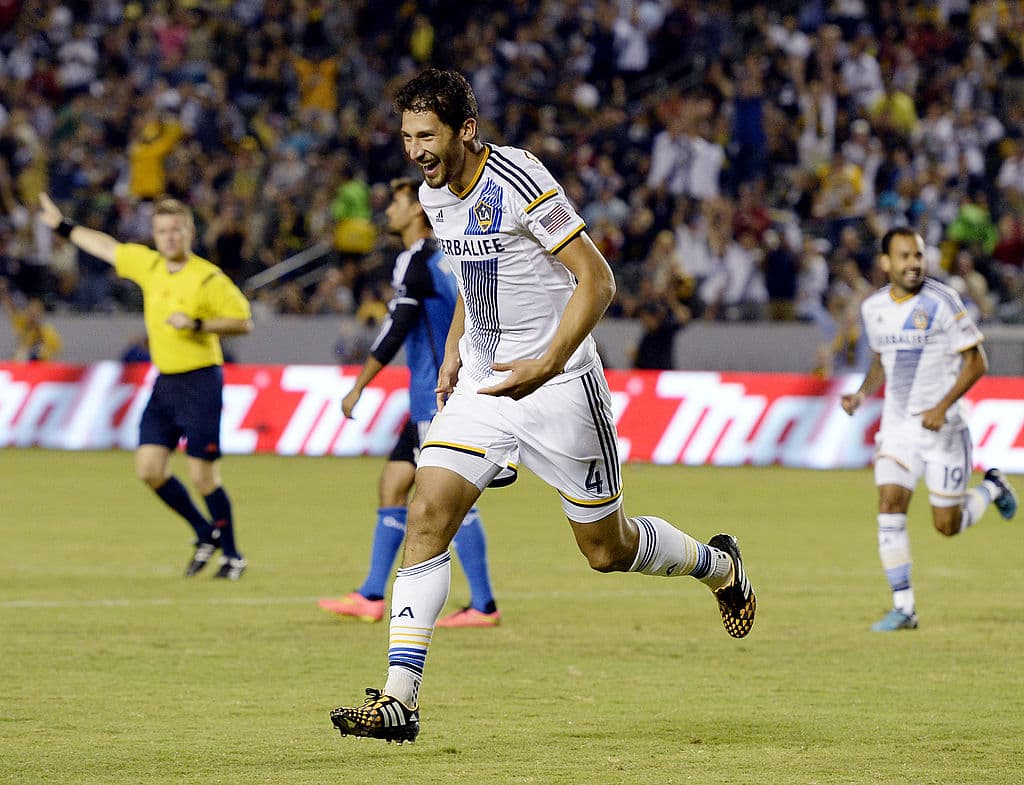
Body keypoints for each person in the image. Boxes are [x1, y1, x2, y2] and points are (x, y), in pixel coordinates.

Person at [329, 68, 756, 744]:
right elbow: (477, 273)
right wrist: (451, 352)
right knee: (427, 511)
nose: (415, 149)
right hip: (483, 385)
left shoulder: (521, 179)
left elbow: (598, 278)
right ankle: (399, 698)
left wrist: (550, 362)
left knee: (605, 550)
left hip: (560, 386)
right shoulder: (433, 195)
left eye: (427, 134)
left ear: (465, 128)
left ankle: (719, 565)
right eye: (407, 135)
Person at [38, 193, 254, 580]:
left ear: (189, 231)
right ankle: (205, 533)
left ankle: (233, 555)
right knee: (149, 469)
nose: (169, 237)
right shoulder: (149, 265)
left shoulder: (207, 277)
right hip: (165, 382)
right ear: (154, 236)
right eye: (162, 231)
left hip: (201, 379)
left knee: (203, 475)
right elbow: (105, 246)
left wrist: (198, 324)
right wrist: (63, 226)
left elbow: (243, 321)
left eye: (175, 230)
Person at [318, 177, 501, 627]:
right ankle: (371, 595)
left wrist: (360, 383)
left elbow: (396, 327)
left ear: (417, 210)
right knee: (393, 484)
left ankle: (483, 605)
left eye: (396, 203)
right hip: (439, 392)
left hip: (433, 398)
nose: (388, 212)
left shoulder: (416, 261)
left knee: (454, 499)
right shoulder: (449, 260)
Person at [841, 227, 1017, 632]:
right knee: (889, 505)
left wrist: (941, 406)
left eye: (918, 256)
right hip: (898, 427)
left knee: (947, 526)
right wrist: (860, 395)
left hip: (944, 430)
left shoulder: (943, 302)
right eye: (904, 256)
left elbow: (978, 362)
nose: (913, 264)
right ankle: (904, 608)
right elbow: (882, 360)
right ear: (886, 263)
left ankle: (992, 488)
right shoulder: (874, 309)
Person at [0, 279, 63, 361]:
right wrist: (3, 292)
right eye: (30, 312)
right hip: (25, 364)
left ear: (40, 313)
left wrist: (35, 353)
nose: (32, 315)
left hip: (40, 365)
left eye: (35, 312)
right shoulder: (23, 323)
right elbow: (11, 310)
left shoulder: (48, 331)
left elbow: (54, 352)